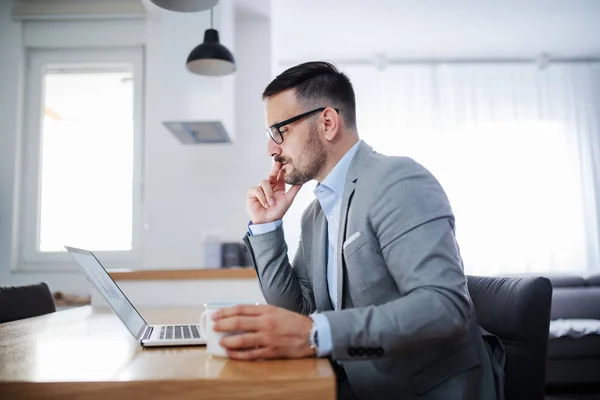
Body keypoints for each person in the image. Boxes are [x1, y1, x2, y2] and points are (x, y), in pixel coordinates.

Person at [211, 61, 504, 400]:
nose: (271, 150)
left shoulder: (397, 181)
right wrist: (266, 226)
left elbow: (444, 307)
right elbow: (298, 313)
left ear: (327, 122)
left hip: (431, 389)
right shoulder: (315, 214)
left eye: (280, 131)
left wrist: (317, 333)